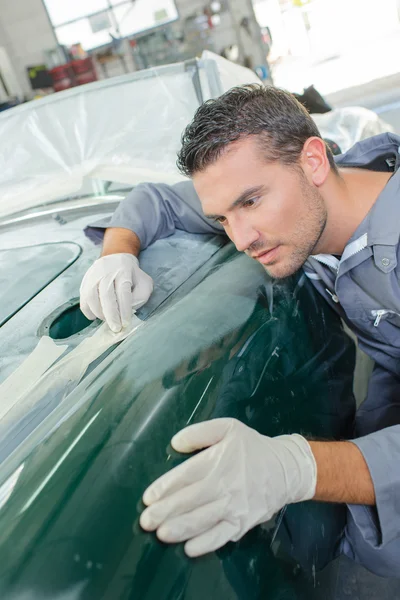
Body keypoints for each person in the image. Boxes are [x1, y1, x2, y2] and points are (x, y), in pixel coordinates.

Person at [80, 84, 400, 576]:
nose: (241, 238)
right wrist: (118, 250)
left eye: (250, 202)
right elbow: (160, 201)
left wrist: (297, 468)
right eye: (223, 217)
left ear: (314, 161)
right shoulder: (304, 195)